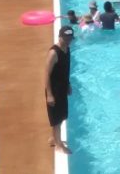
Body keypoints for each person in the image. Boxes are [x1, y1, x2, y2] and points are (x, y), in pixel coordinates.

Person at [45, 26, 74, 154]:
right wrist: (49, 94)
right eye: (66, 37)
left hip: (62, 87)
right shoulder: (54, 53)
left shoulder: (67, 49)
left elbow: (65, 69)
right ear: (60, 36)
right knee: (56, 118)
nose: (68, 40)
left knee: (61, 115)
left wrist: (68, 84)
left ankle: (53, 139)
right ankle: (59, 145)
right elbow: (46, 73)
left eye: (70, 37)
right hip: (54, 90)